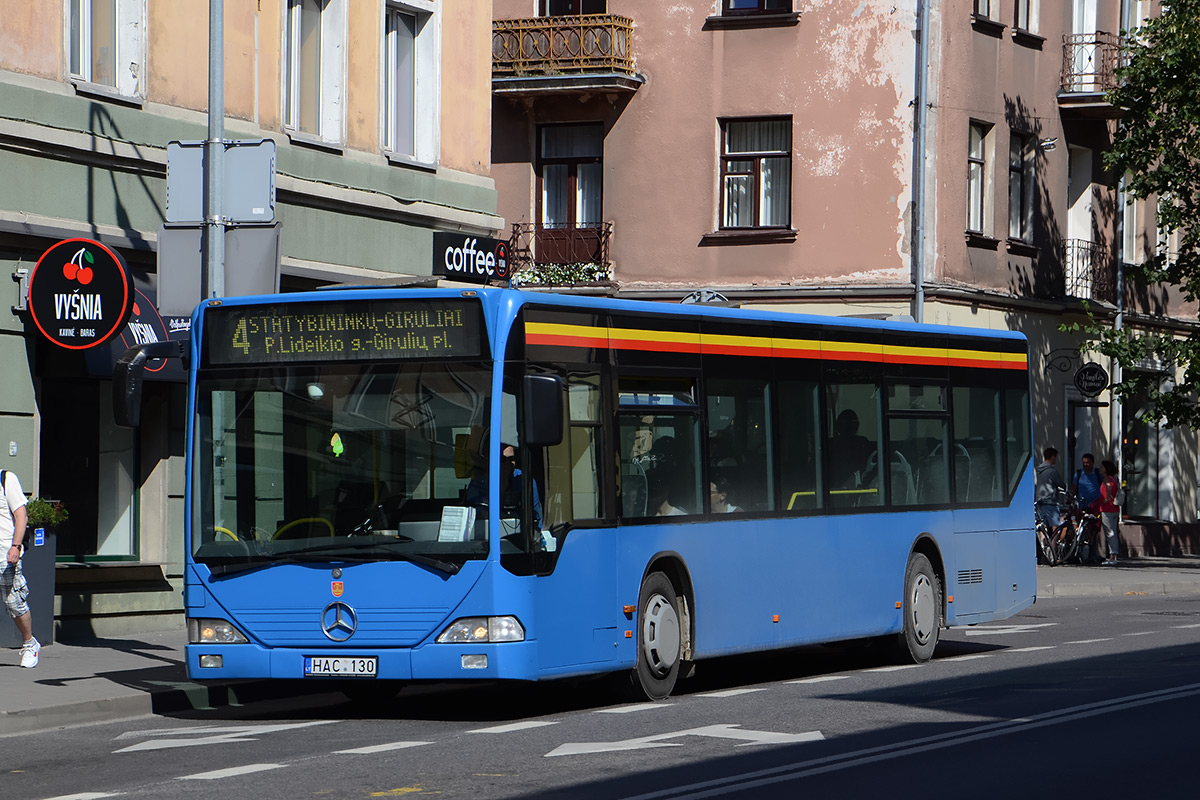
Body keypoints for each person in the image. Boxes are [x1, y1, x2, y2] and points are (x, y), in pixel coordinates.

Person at [1, 470, 37, 668]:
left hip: (5, 556)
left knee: (14, 603)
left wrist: (16, 546)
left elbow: (21, 515)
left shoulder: (6, 479)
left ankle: (29, 642)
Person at [1034, 447, 1068, 530]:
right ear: (1052, 457)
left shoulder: (1040, 470)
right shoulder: (1052, 471)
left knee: (1043, 526)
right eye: (1056, 457)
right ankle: (1053, 543)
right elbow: (1061, 484)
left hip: (1040, 501)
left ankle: (1043, 542)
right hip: (1050, 502)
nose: (1056, 459)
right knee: (1056, 525)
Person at [1098, 460, 1121, 565]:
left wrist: (1106, 498)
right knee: (1114, 532)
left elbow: (1108, 487)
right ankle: (1114, 555)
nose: (1100, 468)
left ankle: (1112, 557)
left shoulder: (1106, 478)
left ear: (1106, 469)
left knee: (1109, 532)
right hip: (1115, 509)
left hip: (1107, 509)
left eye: (1102, 467)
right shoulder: (1114, 479)